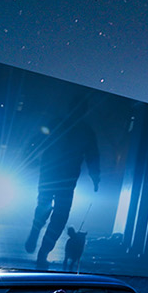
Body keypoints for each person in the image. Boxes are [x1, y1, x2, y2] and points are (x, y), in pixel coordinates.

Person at [25, 102, 101, 269]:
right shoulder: (86, 131)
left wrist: (28, 157)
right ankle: (43, 252)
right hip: (67, 178)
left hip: (49, 173)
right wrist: (95, 177)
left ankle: (36, 230)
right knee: (60, 216)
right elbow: (92, 155)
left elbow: (38, 139)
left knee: (44, 205)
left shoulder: (56, 123)